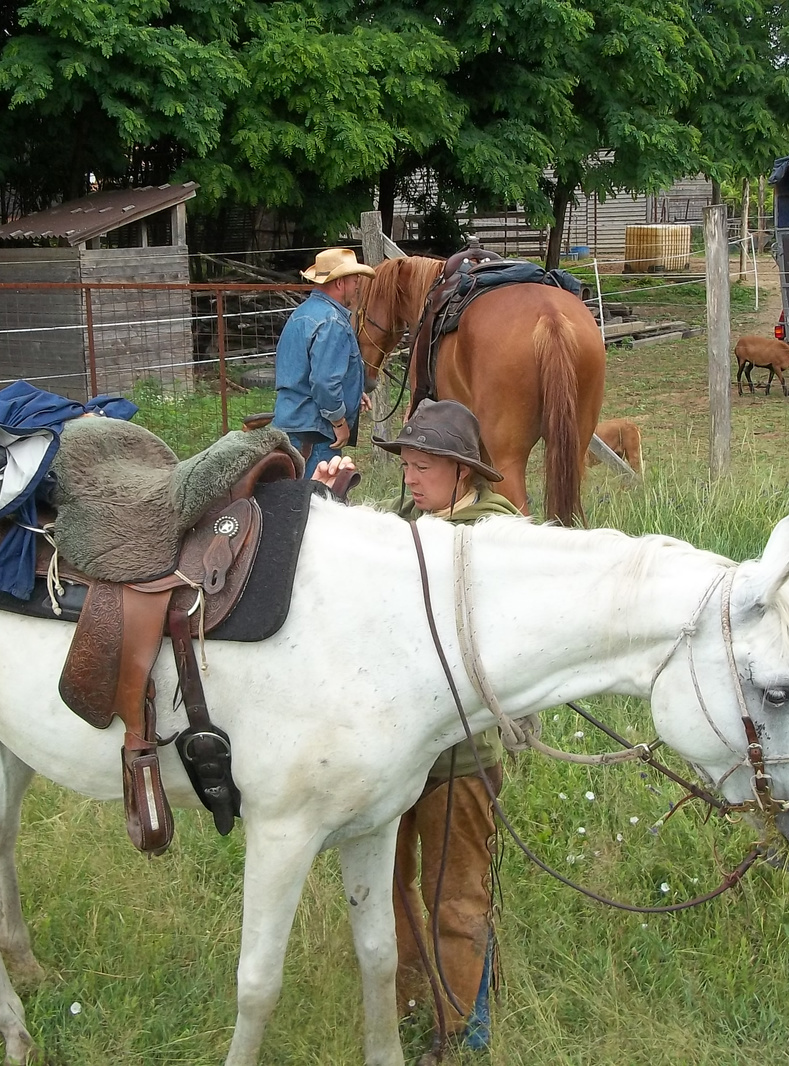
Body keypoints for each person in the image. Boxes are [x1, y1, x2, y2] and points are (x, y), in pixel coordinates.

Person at [312, 399, 518, 1062]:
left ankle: (461, 1032)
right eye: (406, 465)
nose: (410, 477)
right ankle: (403, 1004)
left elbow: (420, 572)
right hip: (395, 751)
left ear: (463, 472)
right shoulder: (410, 519)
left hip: (461, 755)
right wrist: (329, 513)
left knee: (456, 897)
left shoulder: (494, 528)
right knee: (390, 886)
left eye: (424, 466)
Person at [272, 247, 374, 476]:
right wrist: (339, 423)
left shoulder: (304, 312)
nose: (358, 284)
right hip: (316, 430)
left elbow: (307, 371)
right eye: (354, 278)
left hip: (294, 424)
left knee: (296, 496)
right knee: (318, 500)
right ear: (339, 283)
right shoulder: (332, 322)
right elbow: (324, 382)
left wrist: (354, 392)